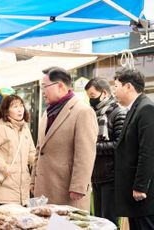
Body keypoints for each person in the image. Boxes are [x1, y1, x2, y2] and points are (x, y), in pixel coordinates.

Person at [31, 67, 98, 211]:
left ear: (60, 86)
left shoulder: (83, 111)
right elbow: (39, 150)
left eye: (45, 87)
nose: (42, 92)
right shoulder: (47, 112)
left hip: (67, 190)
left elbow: (86, 153)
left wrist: (78, 187)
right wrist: (33, 180)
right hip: (43, 189)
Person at [114, 68, 154, 230]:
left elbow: (148, 151)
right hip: (133, 194)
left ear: (128, 86)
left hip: (143, 195)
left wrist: (140, 186)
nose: (114, 92)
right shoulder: (135, 108)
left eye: (116, 86)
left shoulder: (146, 109)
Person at [84, 78, 126, 226]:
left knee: (109, 221)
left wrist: (93, 146)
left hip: (111, 176)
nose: (91, 100)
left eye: (92, 95)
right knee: (98, 221)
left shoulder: (118, 113)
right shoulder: (94, 114)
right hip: (96, 176)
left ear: (104, 93)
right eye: (88, 96)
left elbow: (119, 145)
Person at [0, 94, 36, 206]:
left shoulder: (25, 129)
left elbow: (31, 153)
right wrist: (3, 166)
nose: (20, 109)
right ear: (6, 111)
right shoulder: (0, 128)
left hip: (23, 193)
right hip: (4, 190)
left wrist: (40, 160)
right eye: (15, 106)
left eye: (21, 105)